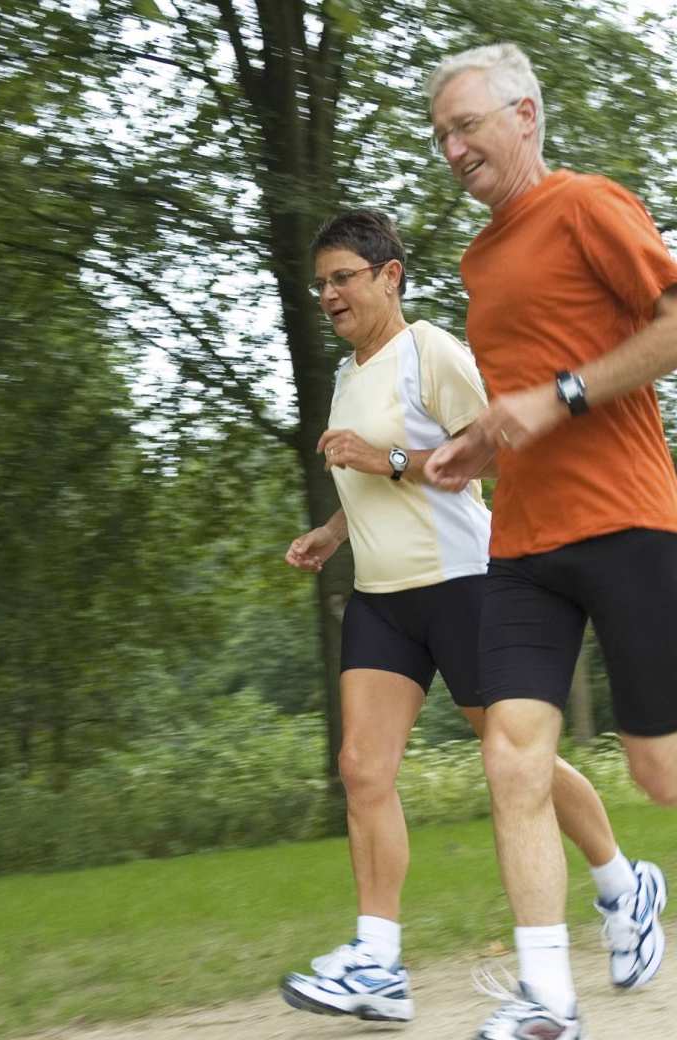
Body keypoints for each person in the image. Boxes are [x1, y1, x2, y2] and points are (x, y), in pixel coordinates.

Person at [277, 208, 653, 1027]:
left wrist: (388, 460)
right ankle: (377, 960)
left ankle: (624, 883)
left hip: (463, 584)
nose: (329, 294)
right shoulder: (347, 374)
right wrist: (332, 531)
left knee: (519, 763)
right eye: (321, 284)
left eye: (343, 277)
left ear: (390, 276)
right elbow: (372, 479)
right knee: (362, 769)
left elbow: (490, 450)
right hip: (381, 599)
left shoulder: (432, 352)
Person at [424, 42, 677, 1040]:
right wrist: (470, 447)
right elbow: (519, 398)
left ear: (523, 116)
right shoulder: (478, 259)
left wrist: (564, 395)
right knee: (510, 755)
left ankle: (632, 890)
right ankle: (546, 1000)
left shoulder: (583, 204)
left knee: (657, 772)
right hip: (522, 541)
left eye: (466, 125)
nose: (451, 148)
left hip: (624, 519)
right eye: (440, 134)